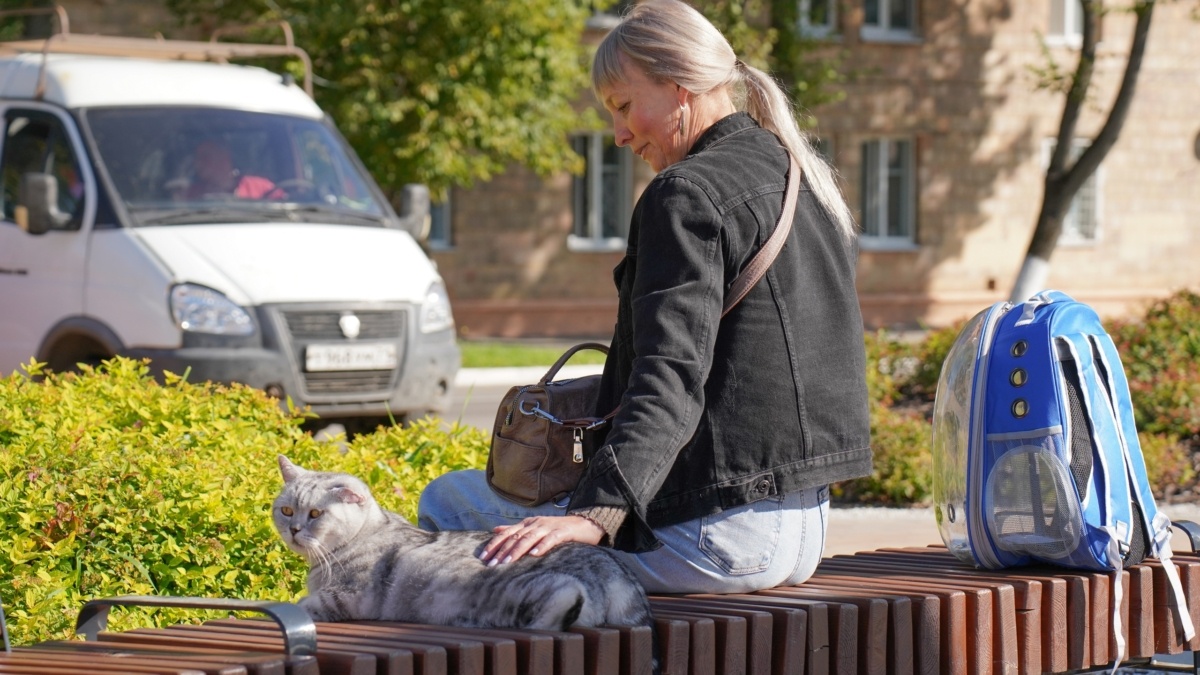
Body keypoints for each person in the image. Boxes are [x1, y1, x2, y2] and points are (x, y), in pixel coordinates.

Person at [418, 0, 872, 594]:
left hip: (715, 538)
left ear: (679, 84)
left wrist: (593, 515)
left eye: (625, 106)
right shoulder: (801, 173)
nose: (620, 135)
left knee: (448, 502)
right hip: (801, 534)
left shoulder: (684, 194)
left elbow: (670, 378)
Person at [179, 139, 277, 200]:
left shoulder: (261, 187)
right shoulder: (192, 193)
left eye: (205, 157)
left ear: (224, 158)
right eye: (197, 158)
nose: (198, 163)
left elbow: (284, 208)